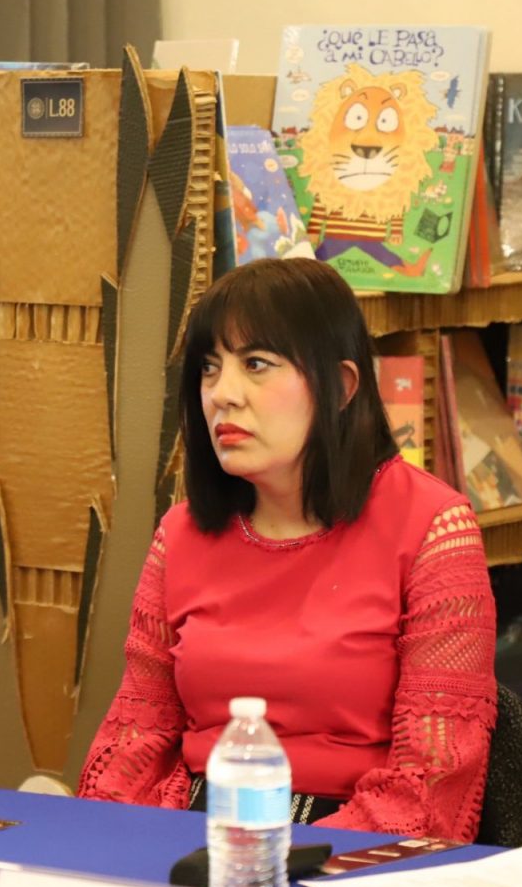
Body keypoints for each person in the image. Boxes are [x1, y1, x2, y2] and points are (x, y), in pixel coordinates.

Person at [77, 258, 496, 841]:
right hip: (196, 836)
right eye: (209, 368)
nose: (223, 395)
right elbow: (134, 745)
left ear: (341, 386)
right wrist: (127, 845)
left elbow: (432, 783)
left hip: (354, 847)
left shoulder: (433, 527)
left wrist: (285, 858)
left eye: (256, 364)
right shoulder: (180, 534)